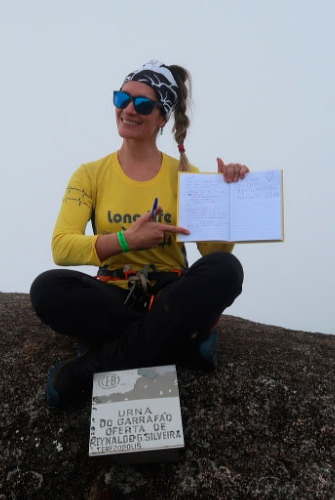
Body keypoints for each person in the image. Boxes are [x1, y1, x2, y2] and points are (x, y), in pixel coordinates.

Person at [30, 60, 249, 407]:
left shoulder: (187, 175)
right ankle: (183, 343)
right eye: (122, 99)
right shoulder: (90, 174)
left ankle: (90, 369)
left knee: (227, 269)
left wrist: (228, 199)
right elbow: (62, 246)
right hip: (113, 294)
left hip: (169, 294)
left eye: (143, 104)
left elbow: (213, 252)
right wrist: (126, 240)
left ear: (162, 118)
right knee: (47, 289)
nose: (129, 109)